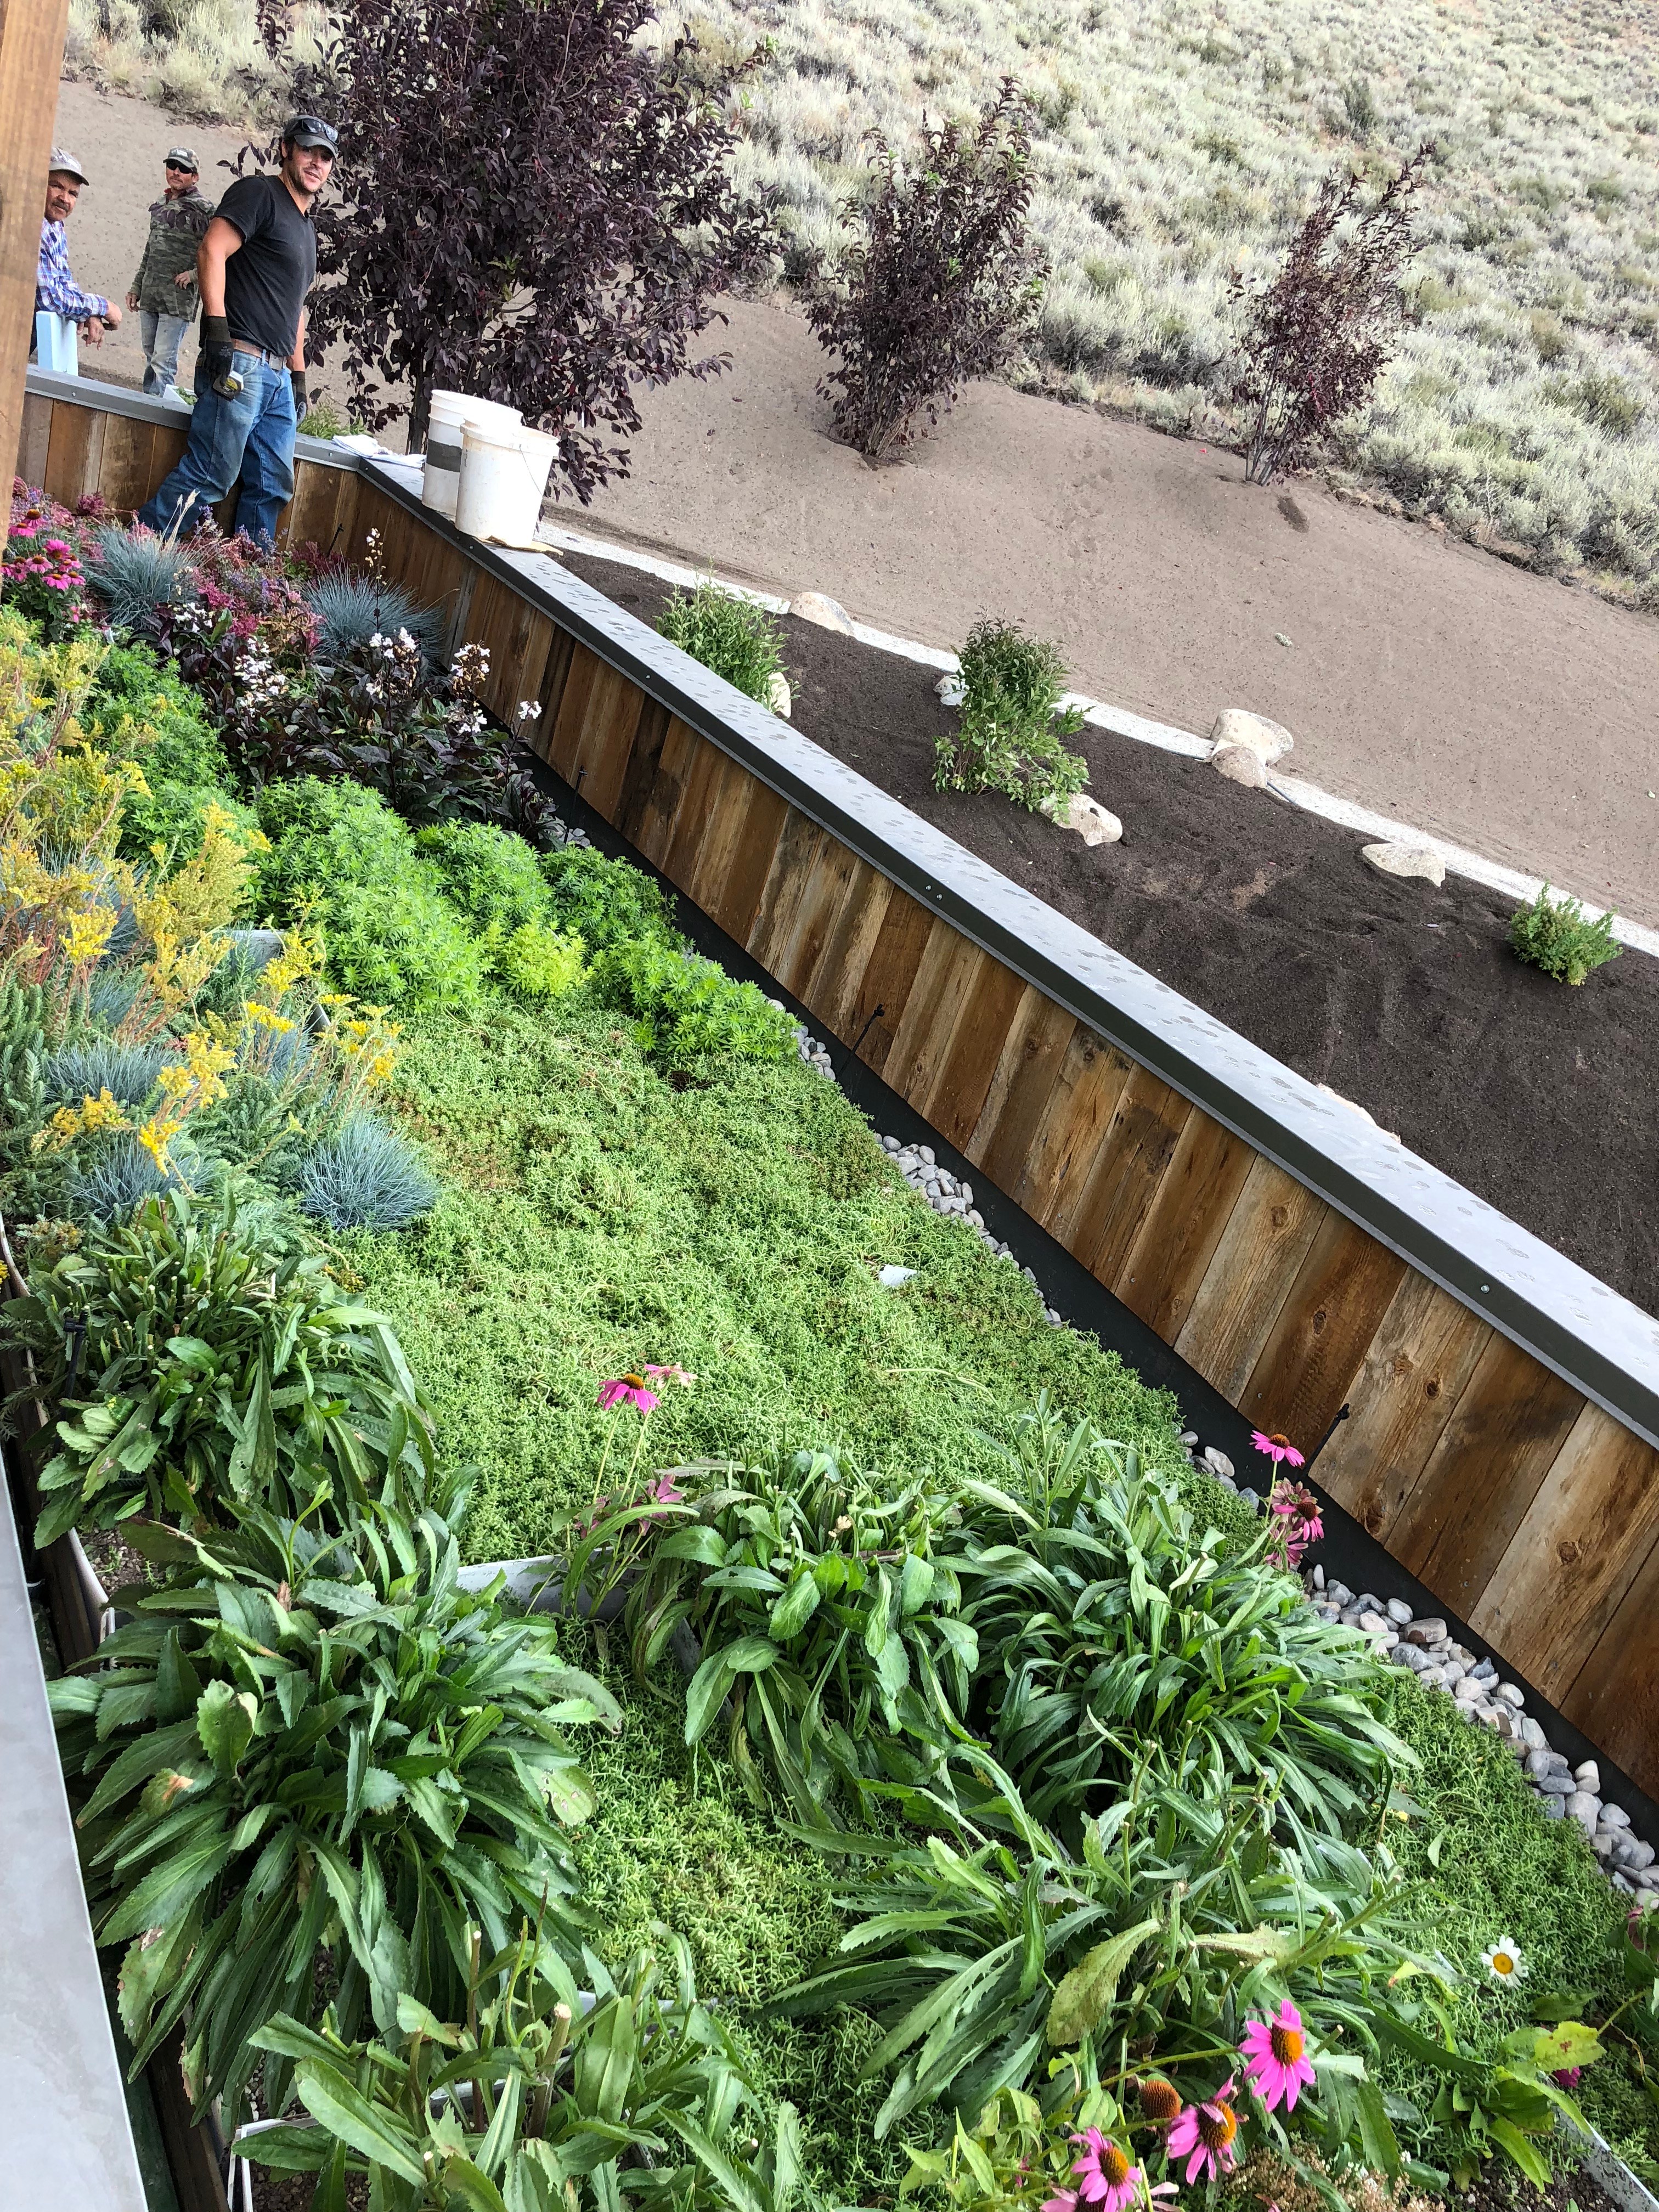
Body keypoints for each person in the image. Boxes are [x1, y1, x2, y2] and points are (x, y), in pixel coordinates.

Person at [137, 115, 336, 548]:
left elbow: (295, 310)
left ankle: (247, 584)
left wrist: (298, 379)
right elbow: (212, 249)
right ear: (286, 149)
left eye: (325, 157)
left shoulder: (307, 231)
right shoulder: (259, 193)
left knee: (272, 487)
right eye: (308, 151)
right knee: (210, 475)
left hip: (279, 377)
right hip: (239, 361)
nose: (316, 163)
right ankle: (137, 547)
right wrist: (218, 334)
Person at [125, 146, 214, 398]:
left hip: (178, 299)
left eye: (184, 169)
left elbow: (220, 250)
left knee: (162, 362)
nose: (176, 172)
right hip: (152, 294)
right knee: (151, 356)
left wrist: (195, 275)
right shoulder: (160, 206)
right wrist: (136, 287)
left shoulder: (205, 210)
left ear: (195, 177)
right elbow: (150, 249)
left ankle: (157, 411)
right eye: (172, 166)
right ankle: (148, 404)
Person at [36, 149, 122, 356]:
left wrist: (90, 313)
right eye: (57, 186)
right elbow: (51, 299)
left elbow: (63, 281)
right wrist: (103, 307)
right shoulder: (34, 223)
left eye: (73, 193)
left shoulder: (55, 226)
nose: (64, 198)